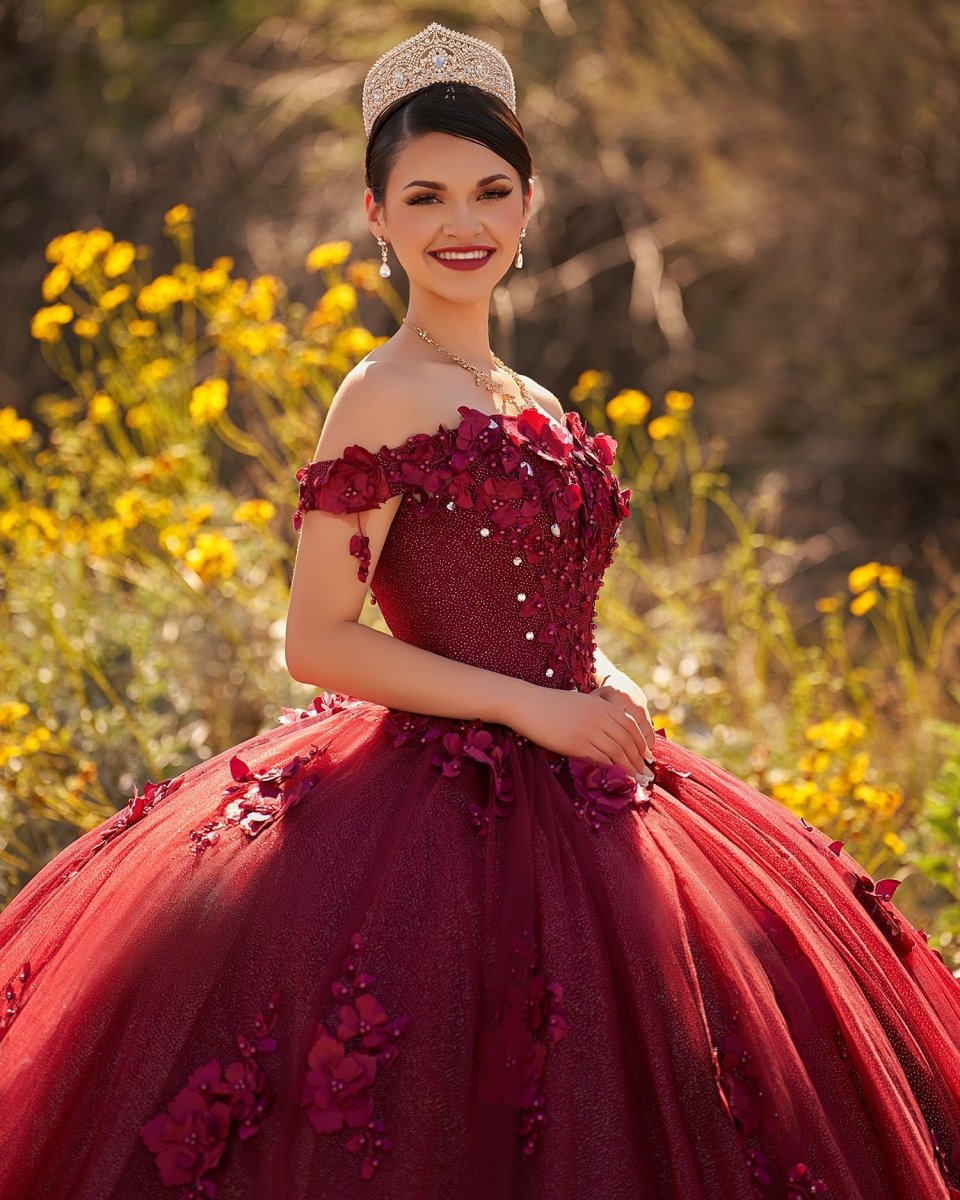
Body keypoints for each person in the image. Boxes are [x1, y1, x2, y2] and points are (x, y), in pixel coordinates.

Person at [1, 22, 959, 1200]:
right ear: (377, 215)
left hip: (585, 772)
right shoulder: (379, 395)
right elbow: (319, 640)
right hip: (431, 805)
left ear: (528, 204)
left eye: (491, 191)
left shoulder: (532, 395)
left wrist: (596, 677)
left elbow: (536, 594)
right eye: (428, 195)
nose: (464, 223)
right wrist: (530, 709)